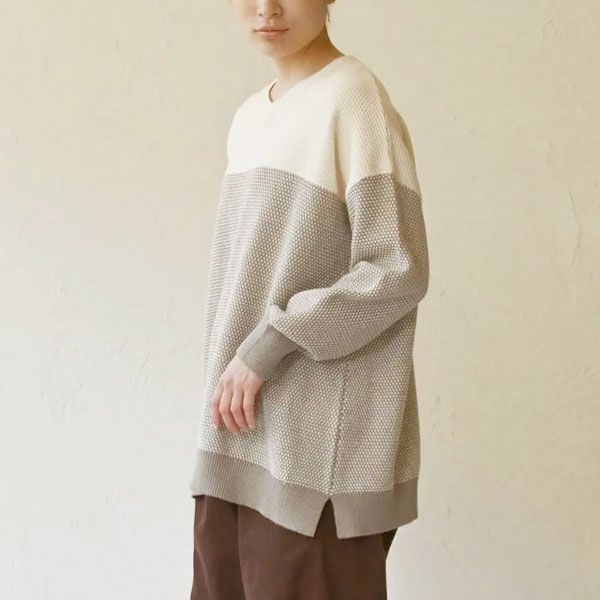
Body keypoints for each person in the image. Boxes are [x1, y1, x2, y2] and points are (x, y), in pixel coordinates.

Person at [188, 1, 430, 598]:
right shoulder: (250, 116)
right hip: (237, 432)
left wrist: (268, 345)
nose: (266, 8)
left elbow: (397, 268)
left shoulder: (353, 99)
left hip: (314, 452)